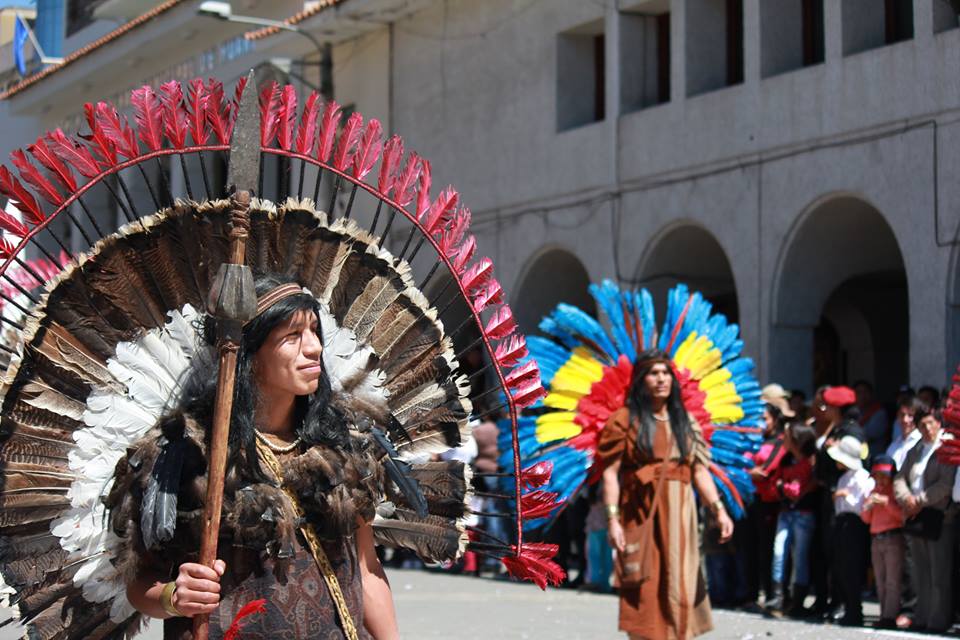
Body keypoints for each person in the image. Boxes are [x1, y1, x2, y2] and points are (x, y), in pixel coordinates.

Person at [109, 274, 399, 639]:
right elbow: (140, 580)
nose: (313, 348)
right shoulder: (189, 454)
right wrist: (173, 596)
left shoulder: (344, 445)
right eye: (292, 337)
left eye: (314, 331)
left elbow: (366, 568)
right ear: (249, 354)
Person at [599, 350, 734, 639]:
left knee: (680, 583)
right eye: (653, 373)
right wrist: (612, 519)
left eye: (665, 373)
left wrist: (719, 510)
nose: (661, 379)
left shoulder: (685, 421)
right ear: (641, 379)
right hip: (640, 514)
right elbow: (610, 473)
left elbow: (700, 471)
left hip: (681, 518)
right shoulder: (624, 420)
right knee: (644, 586)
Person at [893, 404, 958, 633]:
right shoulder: (916, 449)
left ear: (939, 423)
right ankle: (922, 616)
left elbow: (945, 484)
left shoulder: (946, 448)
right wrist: (906, 499)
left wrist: (918, 500)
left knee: (939, 572)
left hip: (939, 515)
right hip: (915, 516)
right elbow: (899, 478)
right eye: (923, 424)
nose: (928, 427)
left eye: (931, 422)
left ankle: (938, 620)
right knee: (920, 571)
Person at [764, 422, 818, 618]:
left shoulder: (810, 462)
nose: (782, 440)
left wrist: (783, 486)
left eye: (786, 437)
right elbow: (775, 484)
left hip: (803, 514)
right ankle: (778, 595)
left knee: (800, 556)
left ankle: (798, 599)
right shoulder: (786, 460)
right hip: (786, 512)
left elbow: (798, 490)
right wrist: (783, 487)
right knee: (778, 551)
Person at [743, 402, 790, 610]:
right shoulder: (753, 439)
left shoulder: (780, 442)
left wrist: (751, 471)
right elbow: (741, 464)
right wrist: (749, 472)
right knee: (750, 548)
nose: (761, 423)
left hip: (771, 503)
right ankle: (752, 594)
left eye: (765, 418)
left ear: (775, 419)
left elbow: (766, 470)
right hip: (752, 499)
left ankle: (774, 594)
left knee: (769, 550)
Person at [826, 435, 874, 626]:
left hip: (855, 525)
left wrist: (845, 497)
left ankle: (855, 610)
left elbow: (862, 504)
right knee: (840, 568)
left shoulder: (863, 477)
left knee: (852, 569)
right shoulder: (844, 477)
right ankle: (847, 607)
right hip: (841, 523)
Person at [861, 455, 906, 629]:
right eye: (877, 475)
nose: (881, 479)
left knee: (892, 579)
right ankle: (883, 613)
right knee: (879, 579)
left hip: (892, 537)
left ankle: (890, 615)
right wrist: (868, 506)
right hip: (876, 539)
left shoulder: (894, 492)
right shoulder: (874, 492)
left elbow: (901, 517)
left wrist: (886, 503)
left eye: (884, 475)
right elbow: (866, 518)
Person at [854, 380, 889, 461]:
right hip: (857, 457)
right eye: (858, 392)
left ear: (871, 394)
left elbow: (869, 434)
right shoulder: (853, 412)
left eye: (865, 392)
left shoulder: (879, 412)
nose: (862, 396)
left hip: (874, 456)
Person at [886, 396, 922, 470]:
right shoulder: (893, 445)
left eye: (910, 415)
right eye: (902, 415)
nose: (905, 420)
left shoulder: (922, 442)